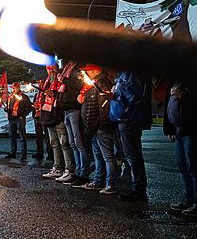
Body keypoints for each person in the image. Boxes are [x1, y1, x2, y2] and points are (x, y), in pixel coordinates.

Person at [163, 81, 197, 218]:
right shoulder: (175, 79)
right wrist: (169, 128)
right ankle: (191, 200)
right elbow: (169, 102)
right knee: (183, 166)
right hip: (179, 129)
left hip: (193, 130)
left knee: (195, 167)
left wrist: (183, 96)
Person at [106, 71, 152, 201]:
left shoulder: (136, 73)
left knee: (133, 155)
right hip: (124, 118)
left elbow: (134, 96)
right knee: (131, 155)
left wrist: (114, 95)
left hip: (130, 119)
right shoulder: (127, 73)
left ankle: (139, 189)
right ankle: (137, 187)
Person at [78, 65, 116, 194]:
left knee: (107, 156)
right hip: (95, 127)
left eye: (86, 71)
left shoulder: (101, 83)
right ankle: (99, 181)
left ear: (94, 70)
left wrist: (101, 125)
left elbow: (104, 106)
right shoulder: (96, 83)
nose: (84, 74)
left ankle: (110, 184)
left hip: (99, 127)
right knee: (99, 156)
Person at [39, 64, 76, 180]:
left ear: (57, 68)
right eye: (48, 69)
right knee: (54, 144)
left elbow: (63, 94)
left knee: (64, 144)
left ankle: (69, 169)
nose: (50, 71)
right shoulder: (48, 81)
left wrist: (54, 94)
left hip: (58, 116)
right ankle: (57, 168)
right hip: (48, 116)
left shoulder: (62, 79)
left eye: (52, 68)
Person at [57, 61, 89, 185]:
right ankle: (77, 172)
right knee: (72, 143)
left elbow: (79, 85)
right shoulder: (67, 68)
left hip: (74, 108)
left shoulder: (78, 68)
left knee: (79, 142)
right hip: (66, 109)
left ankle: (84, 174)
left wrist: (64, 80)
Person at [4, 82, 32, 159]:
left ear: (18, 88)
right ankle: (12, 152)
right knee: (12, 136)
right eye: (12, 88)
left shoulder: (23, 97)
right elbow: (9, 108)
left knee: (22, 136)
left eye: (14, 87)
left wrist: (23, 115)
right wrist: (6, 109)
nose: (13, 89)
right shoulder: (10, 97)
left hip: (19, 119)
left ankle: (23, 153)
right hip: (11, 119)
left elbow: (30, 107)